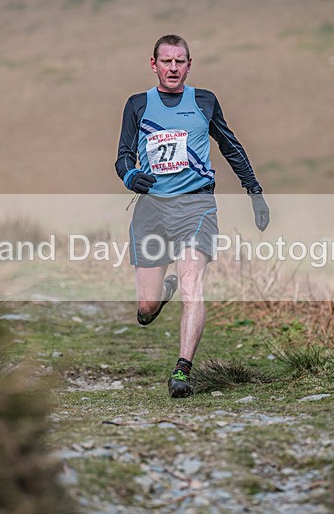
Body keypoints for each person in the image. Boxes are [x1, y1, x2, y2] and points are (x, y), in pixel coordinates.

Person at [115, 34, 270, 398]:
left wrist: (255, 191)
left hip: (196, 206)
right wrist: (131, 176)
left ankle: (182, 370)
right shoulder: (138, 104)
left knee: (192, 285)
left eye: (179, 61)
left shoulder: (204, 101)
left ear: (189, 65)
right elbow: (123, 156)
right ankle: (161, 293)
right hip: (151, 209)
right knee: (146, 307)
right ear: (153, 65)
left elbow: (230, 146)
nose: (173, 68)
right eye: (166, 61)